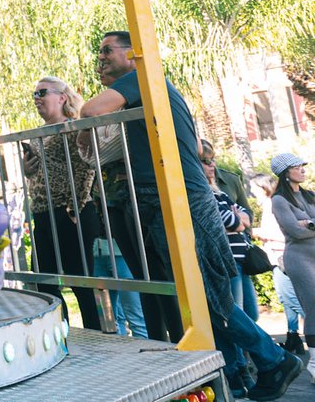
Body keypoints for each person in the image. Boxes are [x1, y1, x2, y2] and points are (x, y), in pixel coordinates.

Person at [83, 31, 302, 400]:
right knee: (201, 295)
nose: (100, 59)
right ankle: (236, 375)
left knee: (203, 296)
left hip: (180, 196)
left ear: (133, 54)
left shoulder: (143, 78)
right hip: (168, 196)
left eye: (107, 51)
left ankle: (273, 358)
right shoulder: (145, 94)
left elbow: (90, 112)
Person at [20, 76, 103, 331]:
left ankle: (95, 335)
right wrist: (27, 170)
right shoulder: (37, 135)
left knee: (81, 283)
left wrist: (74, 206)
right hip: (44, 213)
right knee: (45, 282)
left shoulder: (74, 127)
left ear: (62, 97)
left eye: (42, 93)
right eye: (34, 95)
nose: (37, 99)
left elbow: (86, 167)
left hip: (70, 212)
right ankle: (60, 334)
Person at [204, 140, 260, 324]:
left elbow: (245, 217)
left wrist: (238, 221)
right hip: (228, 258)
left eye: (212, 160)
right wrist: (237, 221)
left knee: (252, 314)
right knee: (237, 314)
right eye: (205, 161)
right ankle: (240, 353)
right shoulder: (205, 194)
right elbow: (231, 221)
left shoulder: (224, 188)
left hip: (243, 256)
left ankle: (250, 352)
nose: (212, 165)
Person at [270, 153, 315, 357]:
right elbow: (294, 231)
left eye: (302, 165)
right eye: (297, 166)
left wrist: (307, 223)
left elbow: (301, 227)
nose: (302, 169)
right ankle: (314, 363)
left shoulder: (309, 195)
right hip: (299, 259)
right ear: (285, 173)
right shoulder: (279, 200)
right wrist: (305, 224)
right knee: (313, 306)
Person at [255, 172, 306, 352]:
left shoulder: (273, 204)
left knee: (291, 298)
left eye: (254, 189)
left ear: (262, 188)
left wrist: (257, 232)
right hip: (286, 256)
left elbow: (281, 232)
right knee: (288, 300)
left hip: (281, 257)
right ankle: (293, 337)